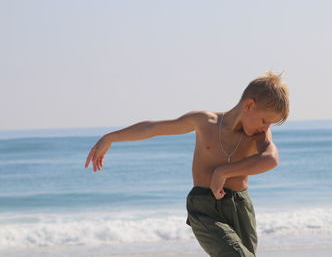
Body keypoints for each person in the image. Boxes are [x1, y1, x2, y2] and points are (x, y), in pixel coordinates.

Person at [84, 70, 290, 256]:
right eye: (265, 121)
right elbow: (153, 128)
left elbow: (271, 159)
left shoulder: (258, 136)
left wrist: (223, 172)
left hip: (239, 207)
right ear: (249, 105)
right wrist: (110, 138)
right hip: (204, 206)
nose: (266, 128)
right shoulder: (205, 122)